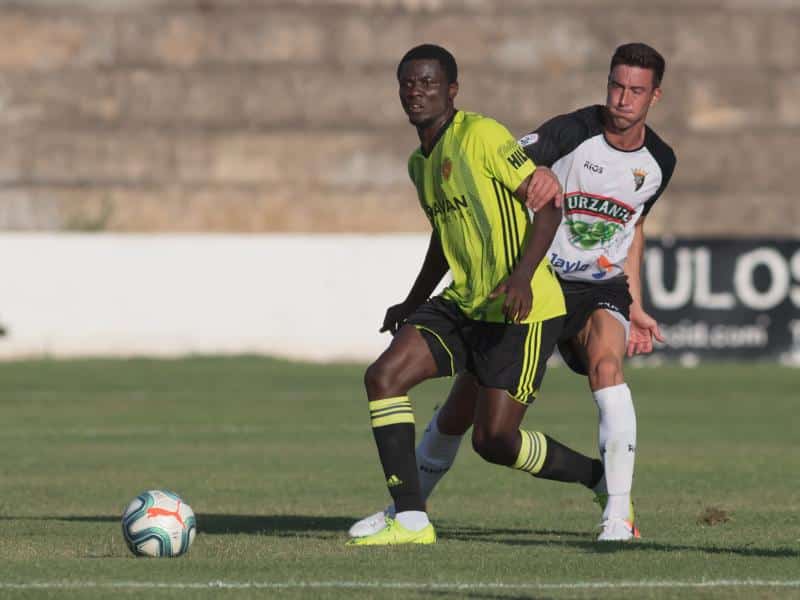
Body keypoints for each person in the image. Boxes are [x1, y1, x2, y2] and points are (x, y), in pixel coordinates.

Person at [349, 42, 677, 542]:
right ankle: (410, 514)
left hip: (561, 290)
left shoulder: (659, 161)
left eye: (635, 90)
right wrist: (416, 297)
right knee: (423, 395)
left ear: (655, 96)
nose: (622, 99)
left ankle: (616, 507)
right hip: (496, 291)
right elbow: (488, 196)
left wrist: (635, 299)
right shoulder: (559, 133)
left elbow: (632, 225)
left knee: (575, 388)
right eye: (616, 85)